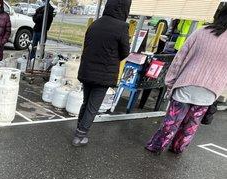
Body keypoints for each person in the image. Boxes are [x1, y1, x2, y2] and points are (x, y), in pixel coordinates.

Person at [145, 6, 227, 155]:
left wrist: (170, 82)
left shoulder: (201, 32)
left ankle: (157, 145)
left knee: (172, 121)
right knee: (191, 125)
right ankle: (178, 147)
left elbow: (179, 58)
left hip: (186, 84)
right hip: (210, 92)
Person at [73, 0, 131, 147]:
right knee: (93, 107)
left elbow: (87, 44)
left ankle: (78, 130)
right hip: (104, 74)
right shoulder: (122, 27)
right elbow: (125, 52)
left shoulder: (96, 23)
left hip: (87, 71)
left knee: (86, 102)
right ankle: (80, 136)